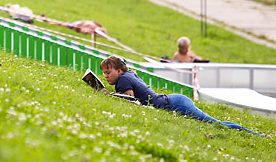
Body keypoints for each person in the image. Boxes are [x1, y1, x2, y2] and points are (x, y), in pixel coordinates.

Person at [100, 56, 262, 135]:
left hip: (176, 104)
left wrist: (109, 95)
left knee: (216, 123)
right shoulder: (129, 75)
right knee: (214, 123)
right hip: (176, 101)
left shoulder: (122, 81)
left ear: (119, 71)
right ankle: (254, 133)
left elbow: (131, 101)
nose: (106, 76)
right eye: (104, 74)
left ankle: (256, 134)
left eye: (108, 72)